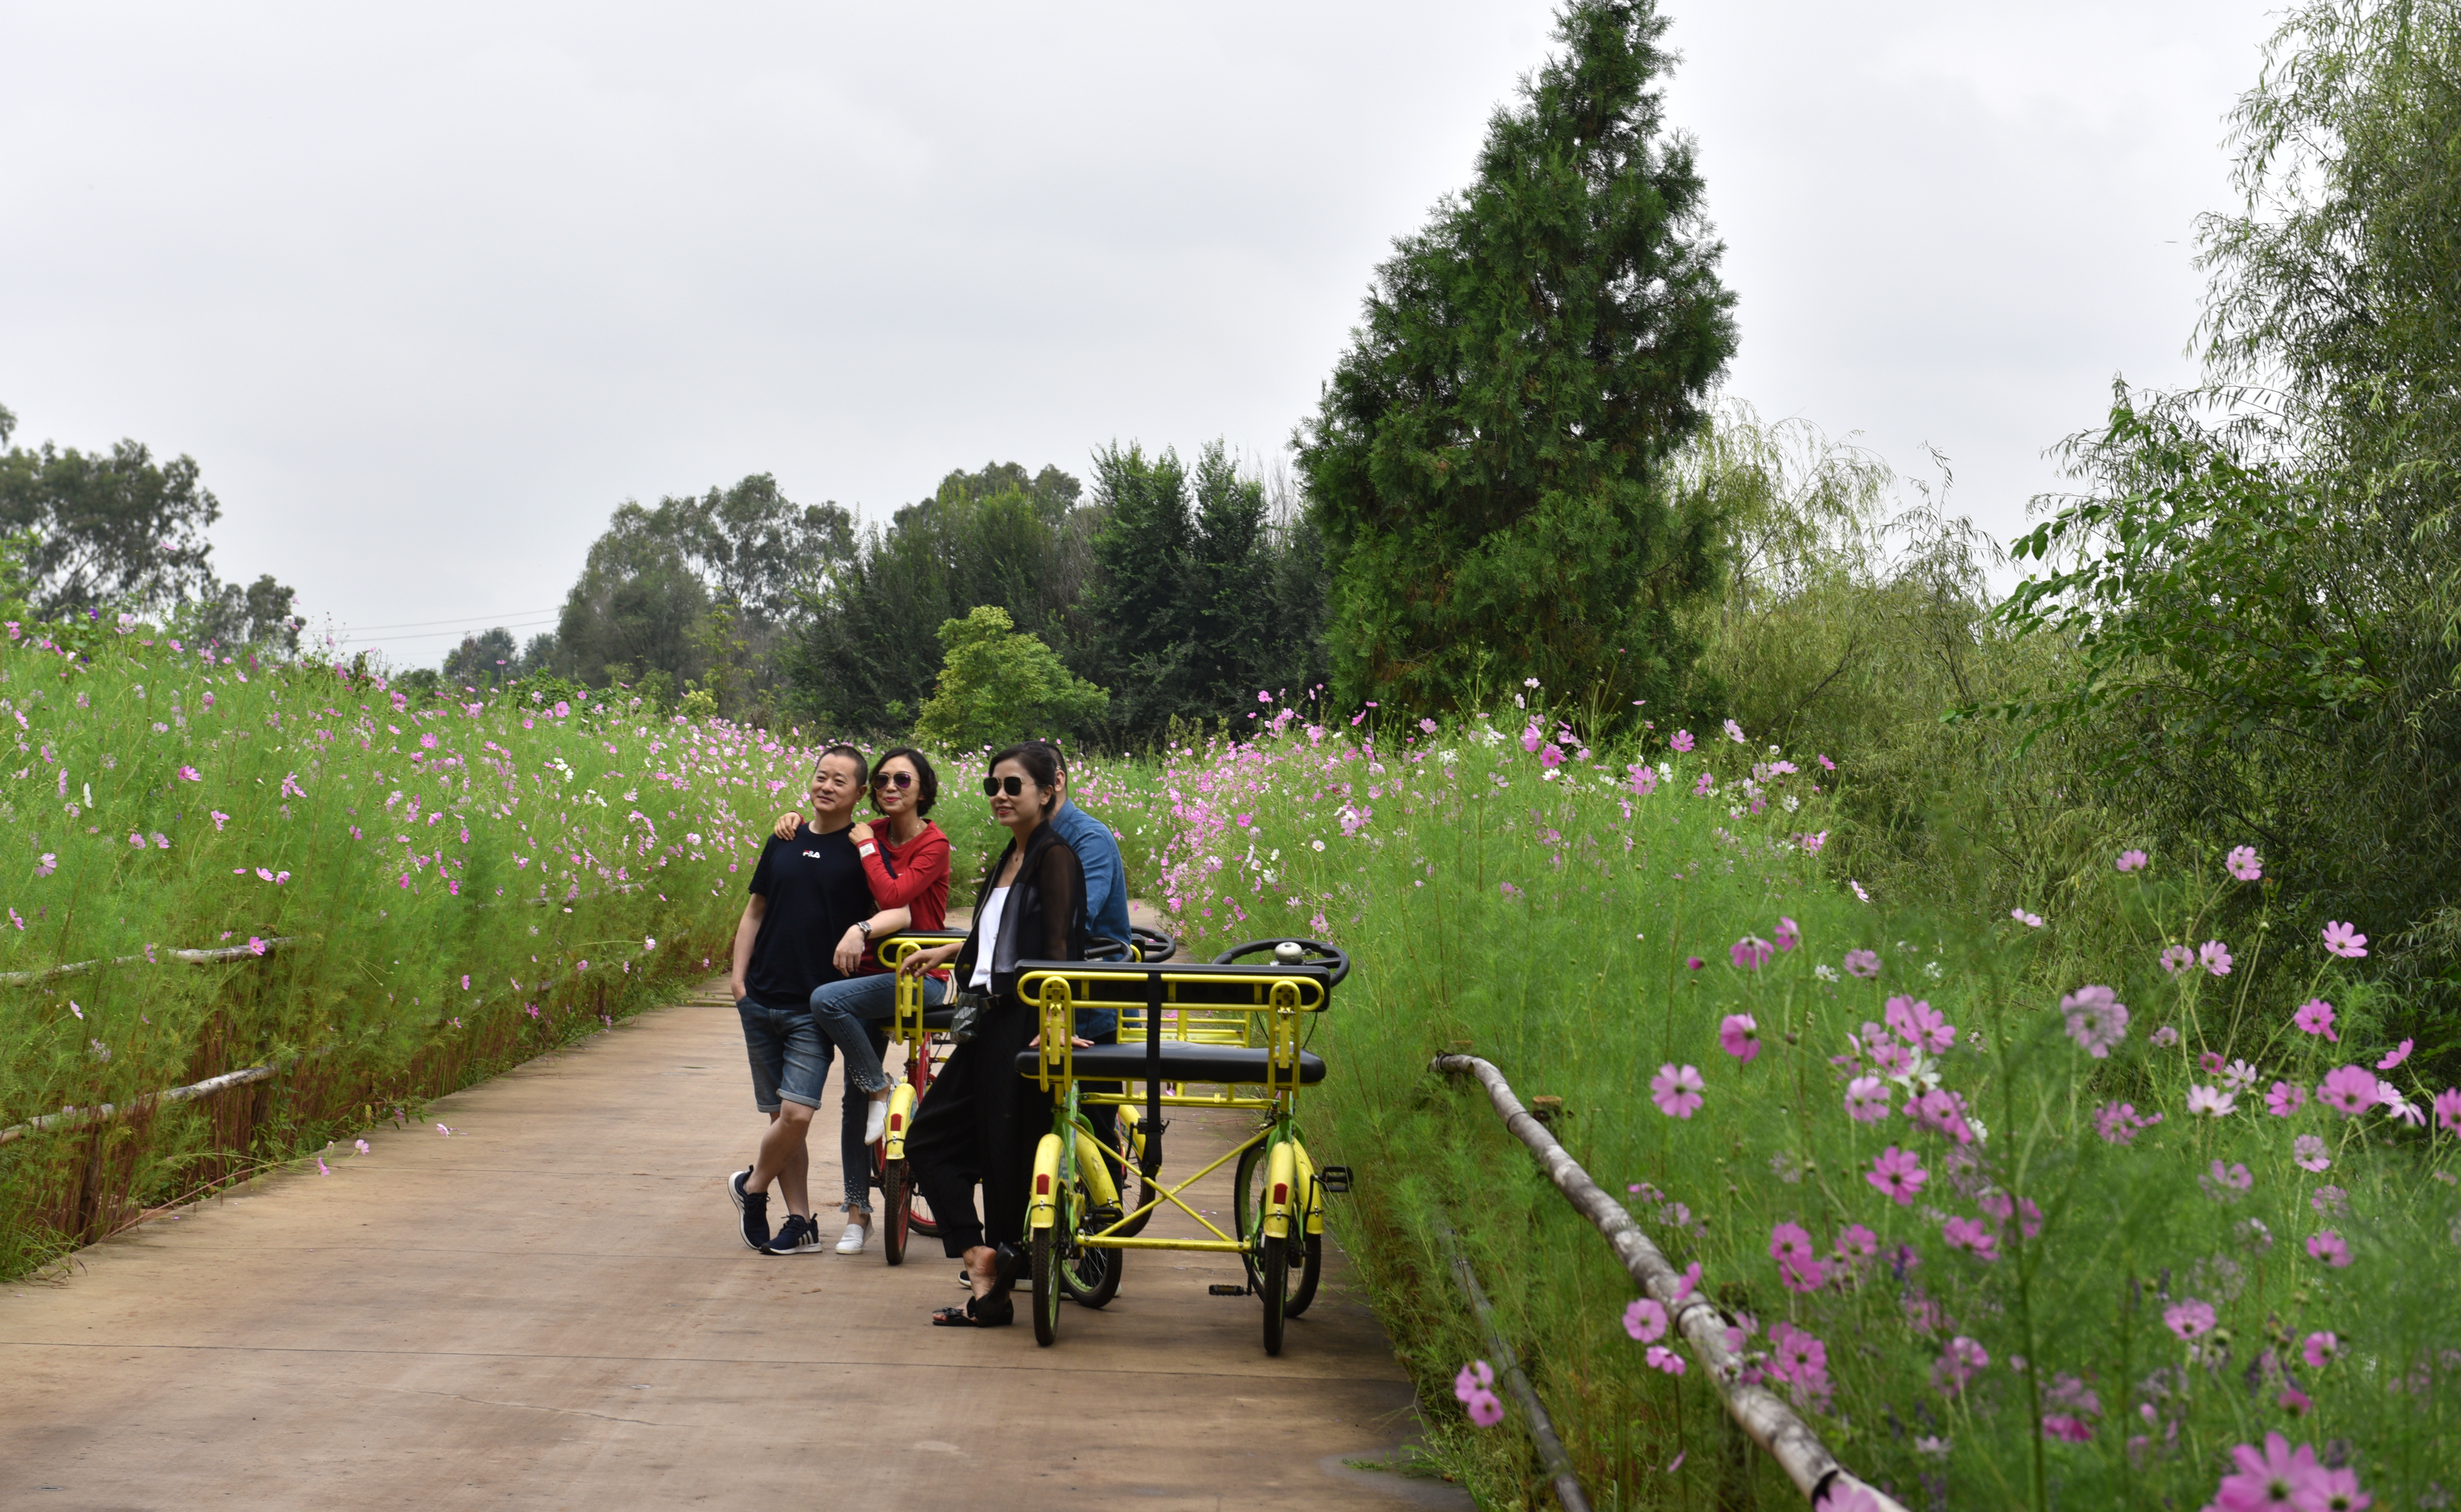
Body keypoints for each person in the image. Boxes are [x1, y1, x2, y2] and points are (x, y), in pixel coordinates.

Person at [893, 744, 1088, 1327]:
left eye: (1013, 785)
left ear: (1047, 790)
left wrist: (1056, 1028)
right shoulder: (1012, 854)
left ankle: (993, 1291)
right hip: (984, 1015)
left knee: (1007, 1158)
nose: (1000, 795)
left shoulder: (1056, 856)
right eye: (992, 786)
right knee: (927, 1137)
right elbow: (1000, 934)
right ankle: (981, 1257)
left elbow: (1060, 953)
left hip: (1021, 1020)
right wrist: (951, 949)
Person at [726, 746, 913, 1256]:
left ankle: (751, 1186)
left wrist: (860, 930)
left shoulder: (864, 849)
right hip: (760, 997)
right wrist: (739, 981)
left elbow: (898, 908)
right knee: (781, 1122)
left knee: (798, 1115)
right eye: (820, 776)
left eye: (840, 781)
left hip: (812, 1006)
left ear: (859, 794)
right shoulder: (783, 837)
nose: (827, 786)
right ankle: (800, 1220)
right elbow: (755, 912)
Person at [768, 747, 952, 1255]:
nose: (891, 787)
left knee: (825, 1002)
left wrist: (868, 848)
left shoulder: (932, 843)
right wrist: (795, 821)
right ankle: (858, 1213)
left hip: (919, 976)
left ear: (922, 789)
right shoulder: (866, 828)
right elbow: (826, 832)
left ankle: (880, 1086)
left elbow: (899, 898)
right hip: (870, 979)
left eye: (903, 780)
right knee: (850, 1102)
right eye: (884, 780)